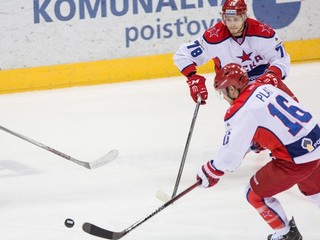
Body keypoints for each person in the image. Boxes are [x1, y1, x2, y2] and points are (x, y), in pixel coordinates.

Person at [196, 63, 320, 240]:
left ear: (232, 88)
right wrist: (259, 142)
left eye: (223, 92)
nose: (224, 97)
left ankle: (286, 235)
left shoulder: (240, 110)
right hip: (315, 145)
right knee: (317, 192)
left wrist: (211, 170)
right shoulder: (264, 86)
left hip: (295, 160)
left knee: (254, 194)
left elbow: (230, 156)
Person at [173, 0, 298, 105]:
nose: (232, 24)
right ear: (223, 18)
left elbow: (281, 59)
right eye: (228, 19)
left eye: (236, 19)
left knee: (294, 112)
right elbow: (182, 55)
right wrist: (192, 77)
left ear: (244, 17)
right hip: (235, 87)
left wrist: (271, 76)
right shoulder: (214, 37)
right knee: (251, 124)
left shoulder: (262, 32)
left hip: (265, 78)